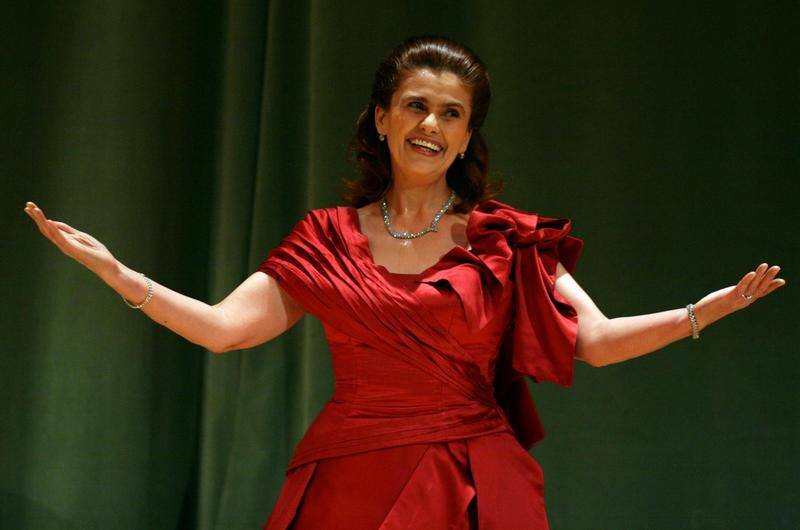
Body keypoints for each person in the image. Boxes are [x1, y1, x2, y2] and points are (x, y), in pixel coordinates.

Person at [23, 36, 785, 530]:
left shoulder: (504, 240)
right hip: (349, 482)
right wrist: (119, 274)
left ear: (466, 135)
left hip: (473, 484)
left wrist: (702, 311)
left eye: (452, 113)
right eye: (416, 106)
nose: (432, 125)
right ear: (382, 119)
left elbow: (596, 341)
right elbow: (224, 331)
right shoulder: (326, 237)